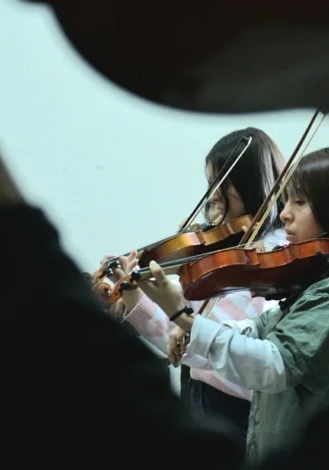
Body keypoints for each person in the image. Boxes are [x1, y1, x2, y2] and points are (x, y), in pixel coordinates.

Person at [0, 2, 244, 466]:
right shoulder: (207, 253)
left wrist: (183, 320)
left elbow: (247, 369)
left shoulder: (267, 270)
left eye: (221, 186)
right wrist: (139, 308)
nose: (211, 198)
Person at [132, 146, 329, 461]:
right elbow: (260, 327)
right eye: (287, 199)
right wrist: (196, 327)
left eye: (299, 201)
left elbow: (276, 364)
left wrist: (185, 318)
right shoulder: (320, 279)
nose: (285, 213)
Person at [106, 127, 287, 446]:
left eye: (223, 185)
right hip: (203, 400)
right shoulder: (224, 250)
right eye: (211, 184)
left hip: (236, 416)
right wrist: (137, 295)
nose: (213, 196)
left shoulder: (267, 260)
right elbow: (183, 334)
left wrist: (141, 301)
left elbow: (203, 348)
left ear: (252, 184)